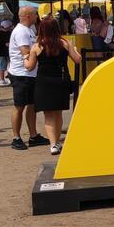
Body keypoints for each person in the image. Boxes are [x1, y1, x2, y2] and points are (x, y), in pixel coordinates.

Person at [24, 16, 82, 154]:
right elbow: (78, 59)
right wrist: (74, 48)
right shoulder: (64, 43)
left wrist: (24, 59)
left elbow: (29, 67)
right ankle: (57, 142)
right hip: (61, 81)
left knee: (48, 115)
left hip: (44, 82)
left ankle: (53, 144)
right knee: (58, 113)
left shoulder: (37, 46)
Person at [9, 6, 47, 150]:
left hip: (30, 74)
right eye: (35, 15)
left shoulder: (29, 30)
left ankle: (33, 135)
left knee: (31, 105)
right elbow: (25, 51)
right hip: (21, 74)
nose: (37, 17)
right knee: (19, 106)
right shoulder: (20, 31)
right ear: (29, 16)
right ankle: (16, 137)